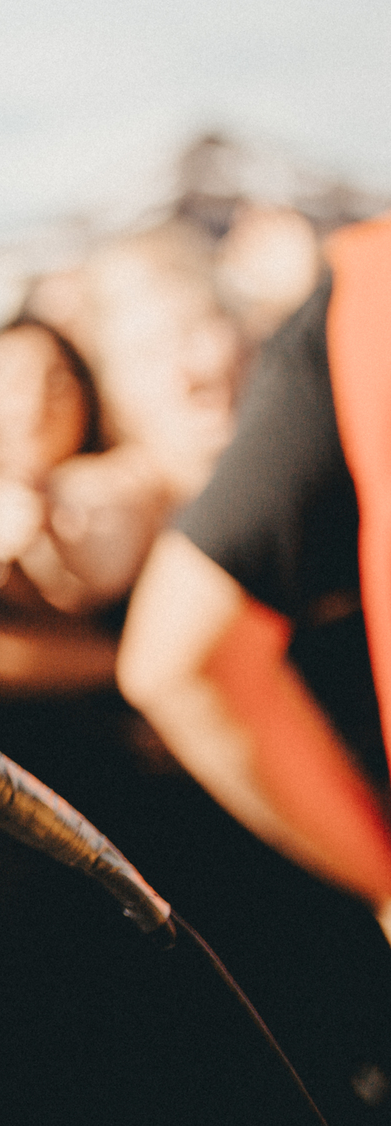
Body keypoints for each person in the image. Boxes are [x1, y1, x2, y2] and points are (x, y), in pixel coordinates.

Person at [119, 216, 391, 934]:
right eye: (145, 352)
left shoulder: (340, 447)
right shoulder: (106, 534)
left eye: (196, 329)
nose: (186, 371)